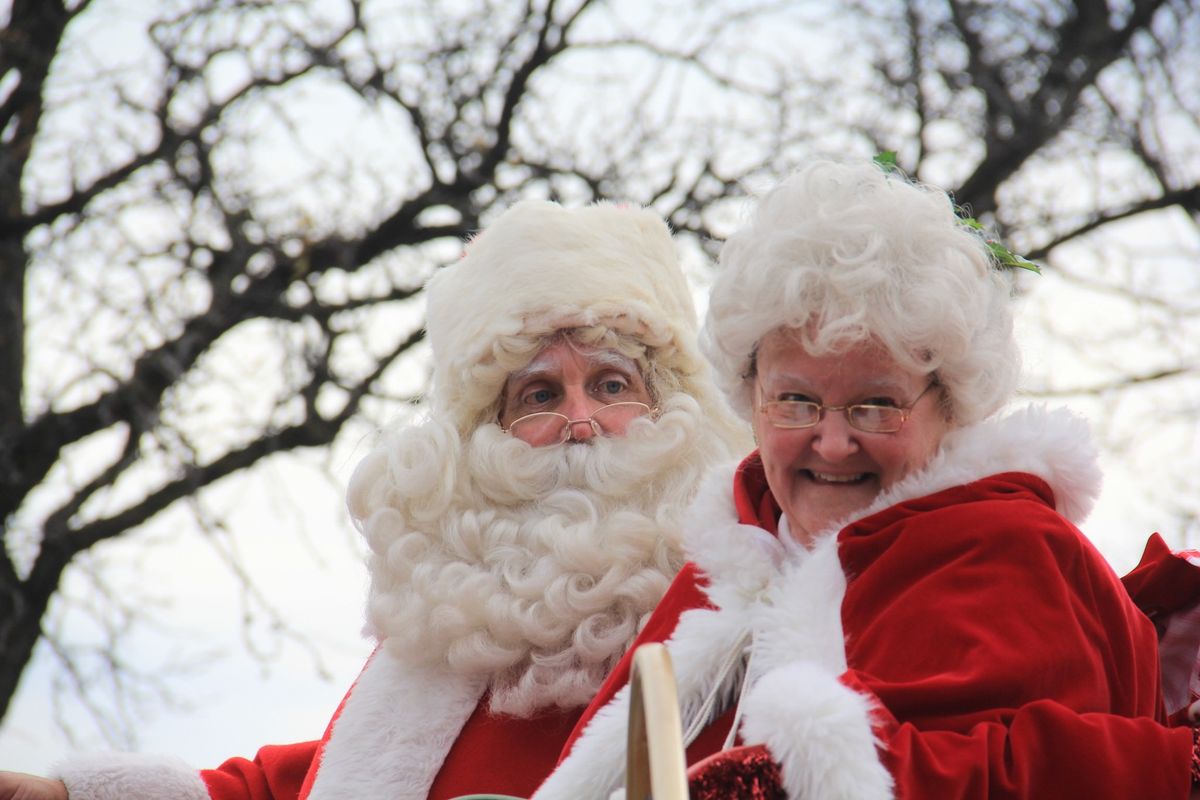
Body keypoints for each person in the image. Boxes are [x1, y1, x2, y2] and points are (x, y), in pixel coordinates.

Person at [0, 199, 750, 800]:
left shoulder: (748, 610)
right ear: (487, 435)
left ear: (671, 407)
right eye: (539, 395)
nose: (580, 423)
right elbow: (322, 781)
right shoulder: (464, 627)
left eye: (613, 384)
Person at [531, 159, 1200, 799]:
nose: (832, 440)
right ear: (751, 395)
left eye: (874, 405)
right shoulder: (722, 573)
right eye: (796, 401)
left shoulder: (1012, 558)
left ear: (951, 403)